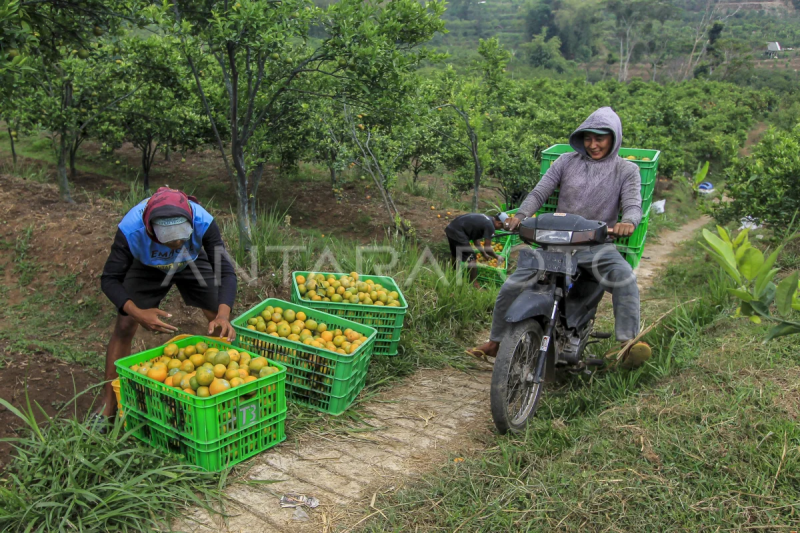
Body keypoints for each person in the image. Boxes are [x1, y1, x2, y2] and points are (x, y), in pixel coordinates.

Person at [467, 107, 652, 368]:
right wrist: (520, 216)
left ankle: (627, 344)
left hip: (596, 244)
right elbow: (539, 192)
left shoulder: (626, 170)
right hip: (555, 241)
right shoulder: (566, 161)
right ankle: (496, 341)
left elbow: (633, 204)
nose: (593, 144)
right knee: (512, 285)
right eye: (588, 138)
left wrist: (628, 222)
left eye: (600, 138)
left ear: (614, 138)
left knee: (625, 278)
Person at [97, 187, 238, 421]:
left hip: (190, 262)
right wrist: (138, 313)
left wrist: (223, 315)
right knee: (124, 324)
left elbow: (226, 271)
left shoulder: (203, 220)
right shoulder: (131, 229)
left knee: (218, 318)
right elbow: (109, 279)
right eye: (169, 242)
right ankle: (108, 405)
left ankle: (223, 392)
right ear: (151, 231)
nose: (175, 245)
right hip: (146, 265)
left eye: (182, 239)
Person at [446, 212, 509, 282]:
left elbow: (477, 242)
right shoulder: (490, 226)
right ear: (499, 223)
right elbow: (487, 248)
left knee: (455, 253)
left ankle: (452, 272)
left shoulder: (487, 219)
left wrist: (484, 254)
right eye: (501, 227)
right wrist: (497, 256)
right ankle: (473, 283)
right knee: (472, 258)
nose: (499, 229)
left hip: (451, 228)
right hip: (458, 233)